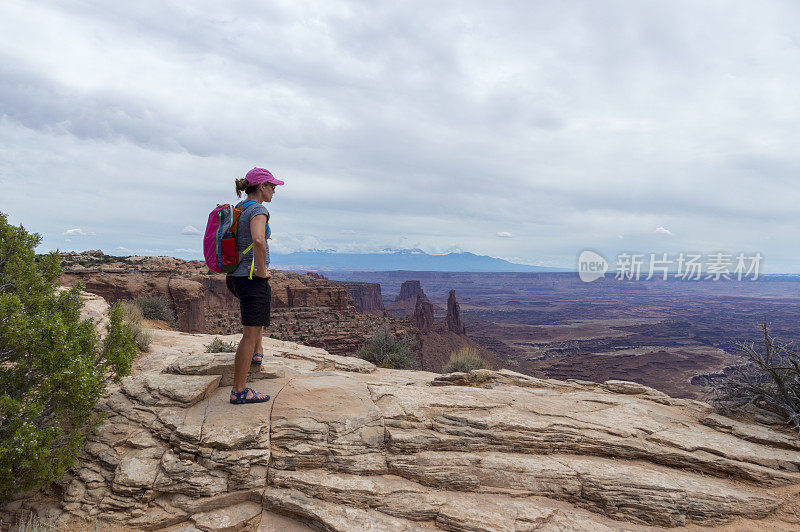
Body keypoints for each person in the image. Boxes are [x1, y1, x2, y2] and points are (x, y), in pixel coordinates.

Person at [226, 167, 284, 404]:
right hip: (251, 278)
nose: (274, 191)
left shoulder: (239, 208)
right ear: (262, 187)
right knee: (249, 335)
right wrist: (262, 270)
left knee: (257, 322)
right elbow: (258, 239)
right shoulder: (259, 209)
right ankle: (239, 391)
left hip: (236, 278)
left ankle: (257, 356)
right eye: (273, 186)